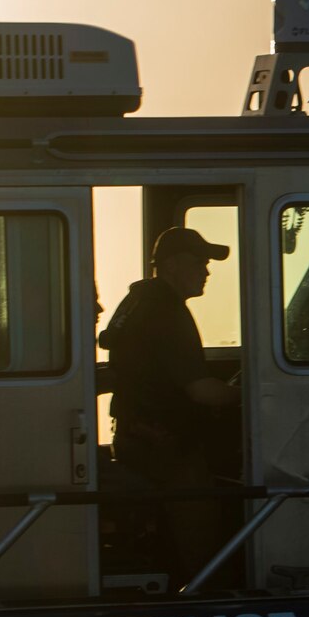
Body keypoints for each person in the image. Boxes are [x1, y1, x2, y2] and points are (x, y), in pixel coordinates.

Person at [99, 226, 240, 582]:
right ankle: (201, 596)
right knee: (199, 525)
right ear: (174, 264)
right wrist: (249, 394)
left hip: (137, 436)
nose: (207, 271)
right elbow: (202, 391)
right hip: (167, 446)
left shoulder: (138, 302)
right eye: (201, 262)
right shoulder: (167, 312)